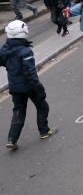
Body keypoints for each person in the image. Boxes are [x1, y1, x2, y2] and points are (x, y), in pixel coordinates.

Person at [1, 20, 57, 150]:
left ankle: (12, 139)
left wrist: (12, 67)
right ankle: (44, 131)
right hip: (29, 86)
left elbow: (3, 62)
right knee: (42, 106)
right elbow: (30, 73)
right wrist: (39, 89)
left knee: (19, 111)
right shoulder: (25, 51)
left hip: (14, 86)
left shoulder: (4, 49)